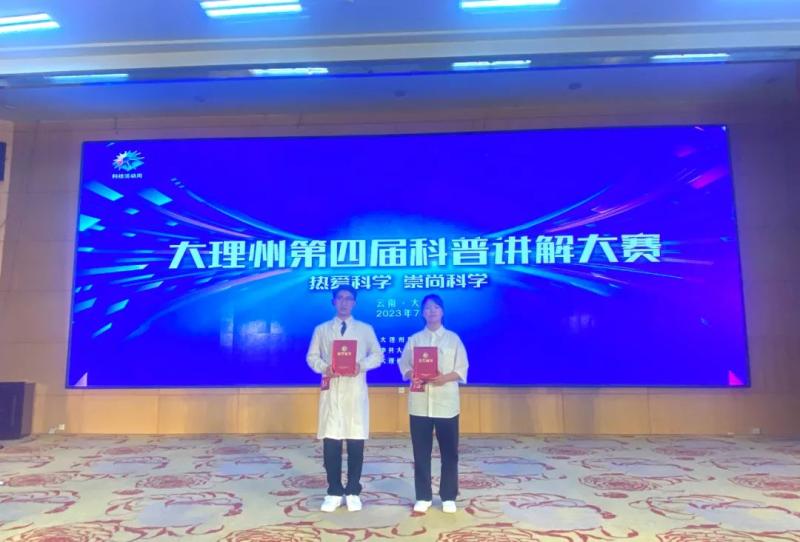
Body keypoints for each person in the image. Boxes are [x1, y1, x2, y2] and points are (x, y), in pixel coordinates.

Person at [306, 285, 383, 512]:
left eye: (348, 299)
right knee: (331, 443)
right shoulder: (321, 329)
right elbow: (312, 356)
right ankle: (333, 491)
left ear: (354, 303)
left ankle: (352, 491)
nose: (344, 302)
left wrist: (361, 365)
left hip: (354, 392)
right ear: (333, 302)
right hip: (332, 389)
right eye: (340, 298)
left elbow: (377, 355)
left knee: (356, 443)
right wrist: (324, 367)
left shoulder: (365, 329)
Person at [398, 294, 468, 514]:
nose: (432, 311)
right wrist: (411, 374)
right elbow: (404, 365)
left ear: (442, 311)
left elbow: (462, 369)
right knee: (421, 453)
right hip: (420, 404)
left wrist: (444, 378)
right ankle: (423, 496)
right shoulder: (414, 340)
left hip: (446, 404)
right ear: (422, 313)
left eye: (436, 307)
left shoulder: (453, 339)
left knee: (449, 453)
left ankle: (448, 496)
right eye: (427, 308)